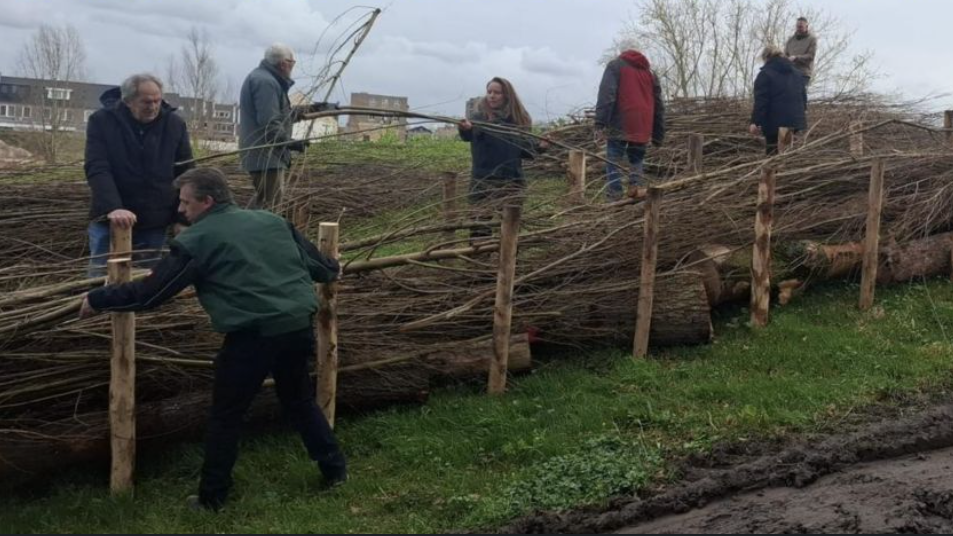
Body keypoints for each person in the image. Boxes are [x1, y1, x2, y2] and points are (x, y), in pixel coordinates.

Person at [79, 167, 347, 511]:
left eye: (186, 202)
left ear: (207, 201)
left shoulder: (197, 240)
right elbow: (321, 267)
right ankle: (335, 470)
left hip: (251, 336)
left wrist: (97, 299)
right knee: (299, 401)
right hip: (296, 327)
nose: (181, 209)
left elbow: (151, 293)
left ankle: (211, 497)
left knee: (226, 415)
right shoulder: (271, 221)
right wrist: (334, 267)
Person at [84, 73, 194, 276]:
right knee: (100, 277)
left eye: (157, 101)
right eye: (146, 102)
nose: (153, 107)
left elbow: (186, 172)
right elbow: (97, 167)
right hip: (110, 217)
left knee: (145, 281)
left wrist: (182, 218)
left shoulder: (174, 124)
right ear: (128, 101)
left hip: (155, 218)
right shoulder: (102, 122)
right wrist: (113, 207)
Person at [239, 43, 338, 210]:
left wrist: (315, 109)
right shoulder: (266, 83)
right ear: (284, 63)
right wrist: (289, 142)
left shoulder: (266, 79)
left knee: (263, 202)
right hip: (266, 155)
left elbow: (282, 115)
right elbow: (269, 122)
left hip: (267, 154)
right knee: (270, 208)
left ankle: (241, 233)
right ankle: (258, 235)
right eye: (293, 63)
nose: (293, 67)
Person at [458, 77, 544, 241]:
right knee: (479, 226)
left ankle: (508, 262)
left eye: (497, 92)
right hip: (483, 179)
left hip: (511, 179)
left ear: (507, 95)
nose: (492, 95)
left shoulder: (518, 120)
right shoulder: (479, 118)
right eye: (489, 92)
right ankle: (479, 261)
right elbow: (468, 135)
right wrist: (465, 128)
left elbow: (525, 149)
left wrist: (541, 146)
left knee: (510, 226)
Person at [594, 42, 665, 201]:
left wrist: (600, 123)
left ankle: (614, 194)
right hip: (643, 123)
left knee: (613, 157)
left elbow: (607, 94)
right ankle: (636, 190)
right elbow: (659, 105)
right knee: (637, 158)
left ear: (622, 52)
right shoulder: (650, 73)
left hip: (622, 119)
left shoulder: (615, 66)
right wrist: (658, 134)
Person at [748, 45, 808, 155]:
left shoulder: (765, 74)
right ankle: (784, 171)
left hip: (774, 122)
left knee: (772, 153)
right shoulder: (797, 73)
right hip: (794, 121)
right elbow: (803, 98)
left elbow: (761, 101)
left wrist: (755, 122)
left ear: (766, 58)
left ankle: (774, 171)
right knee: (785, 152)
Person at [784, 17, 817, 91]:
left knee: (798, 93)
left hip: (803, 73)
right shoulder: (790, 40)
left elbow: (811, 56)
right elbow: (785, 54)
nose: (799, 28)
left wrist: (796, 58)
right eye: (797, 26)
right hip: (790, 72)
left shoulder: (812, 39)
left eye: (801, 27)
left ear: (806, 27)